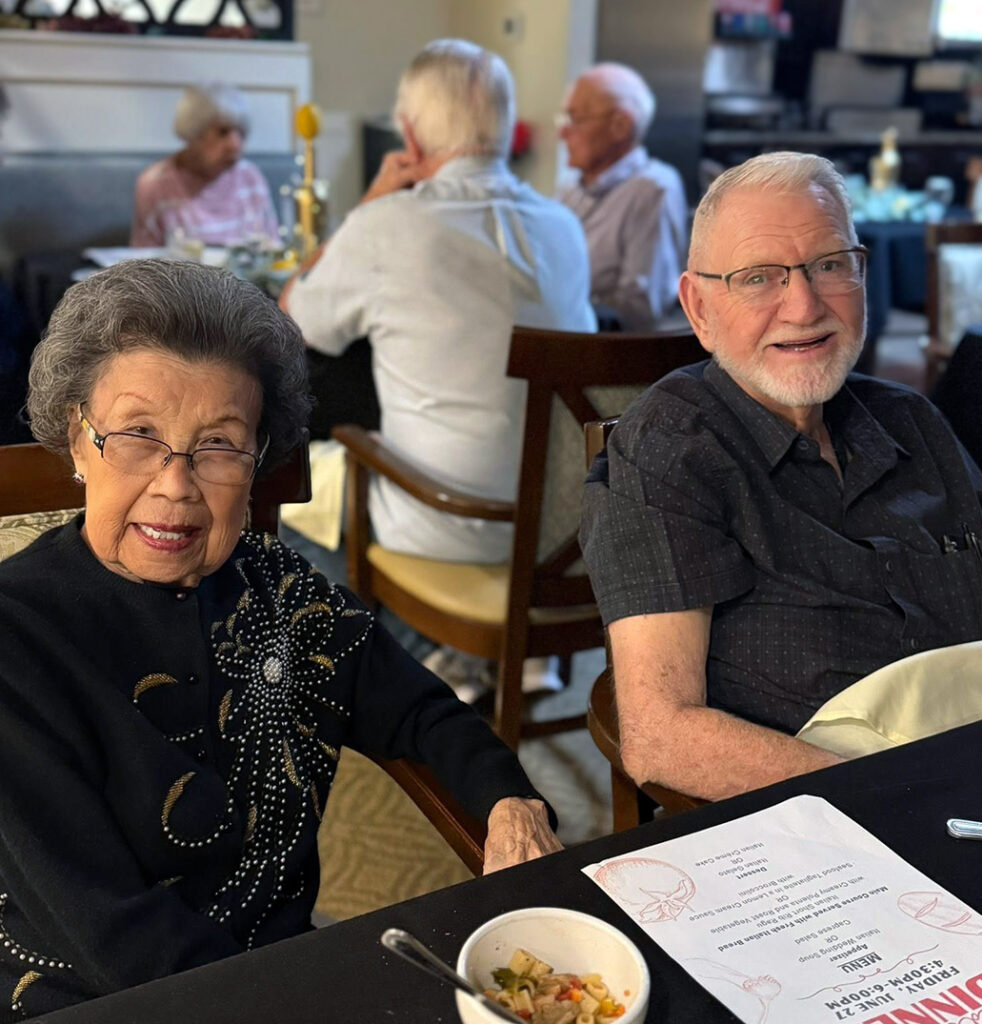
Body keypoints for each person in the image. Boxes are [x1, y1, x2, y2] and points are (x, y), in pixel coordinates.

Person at [0, 259, 561, 1018]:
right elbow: (109, 932)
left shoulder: (280, 589)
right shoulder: (18, 637)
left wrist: (509, 804)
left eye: (220, 445)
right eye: (138, 435)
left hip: (284, 962)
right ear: (76, 440)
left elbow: (421, 708)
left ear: (258, 460)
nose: (176, 483)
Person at [580, 151, 982, 803]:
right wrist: (906, 801)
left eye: (829, 265)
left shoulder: (913, 420)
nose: (804, 304)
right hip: (844, 828)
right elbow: (661, 735)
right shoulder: (672, 451)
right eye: (760, 277)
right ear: (698, 307)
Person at [282, 39, 595, 700]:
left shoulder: (387, 225)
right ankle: (517, 652)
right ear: (505, 128)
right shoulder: (564, 227)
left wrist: (369, 203)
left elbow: (296, 318)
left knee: (276, 491)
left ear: (412, 133)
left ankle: (441, 650)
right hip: (561, 531)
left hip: (450, 521)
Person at [557, 63, 687, 330]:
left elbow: (642, 307)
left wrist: (562, 306)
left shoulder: (652, 189)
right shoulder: (569, 187)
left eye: (575, 119)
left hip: (606, 353)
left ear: (620, 125)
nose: (563, 133)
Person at [131, 82, 279, 247]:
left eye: (241, 133)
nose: (235, 144)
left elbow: (273, 251)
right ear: (193, 131)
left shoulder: (251, 177)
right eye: (223, 132)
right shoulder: (154, 184)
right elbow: (143, 263)